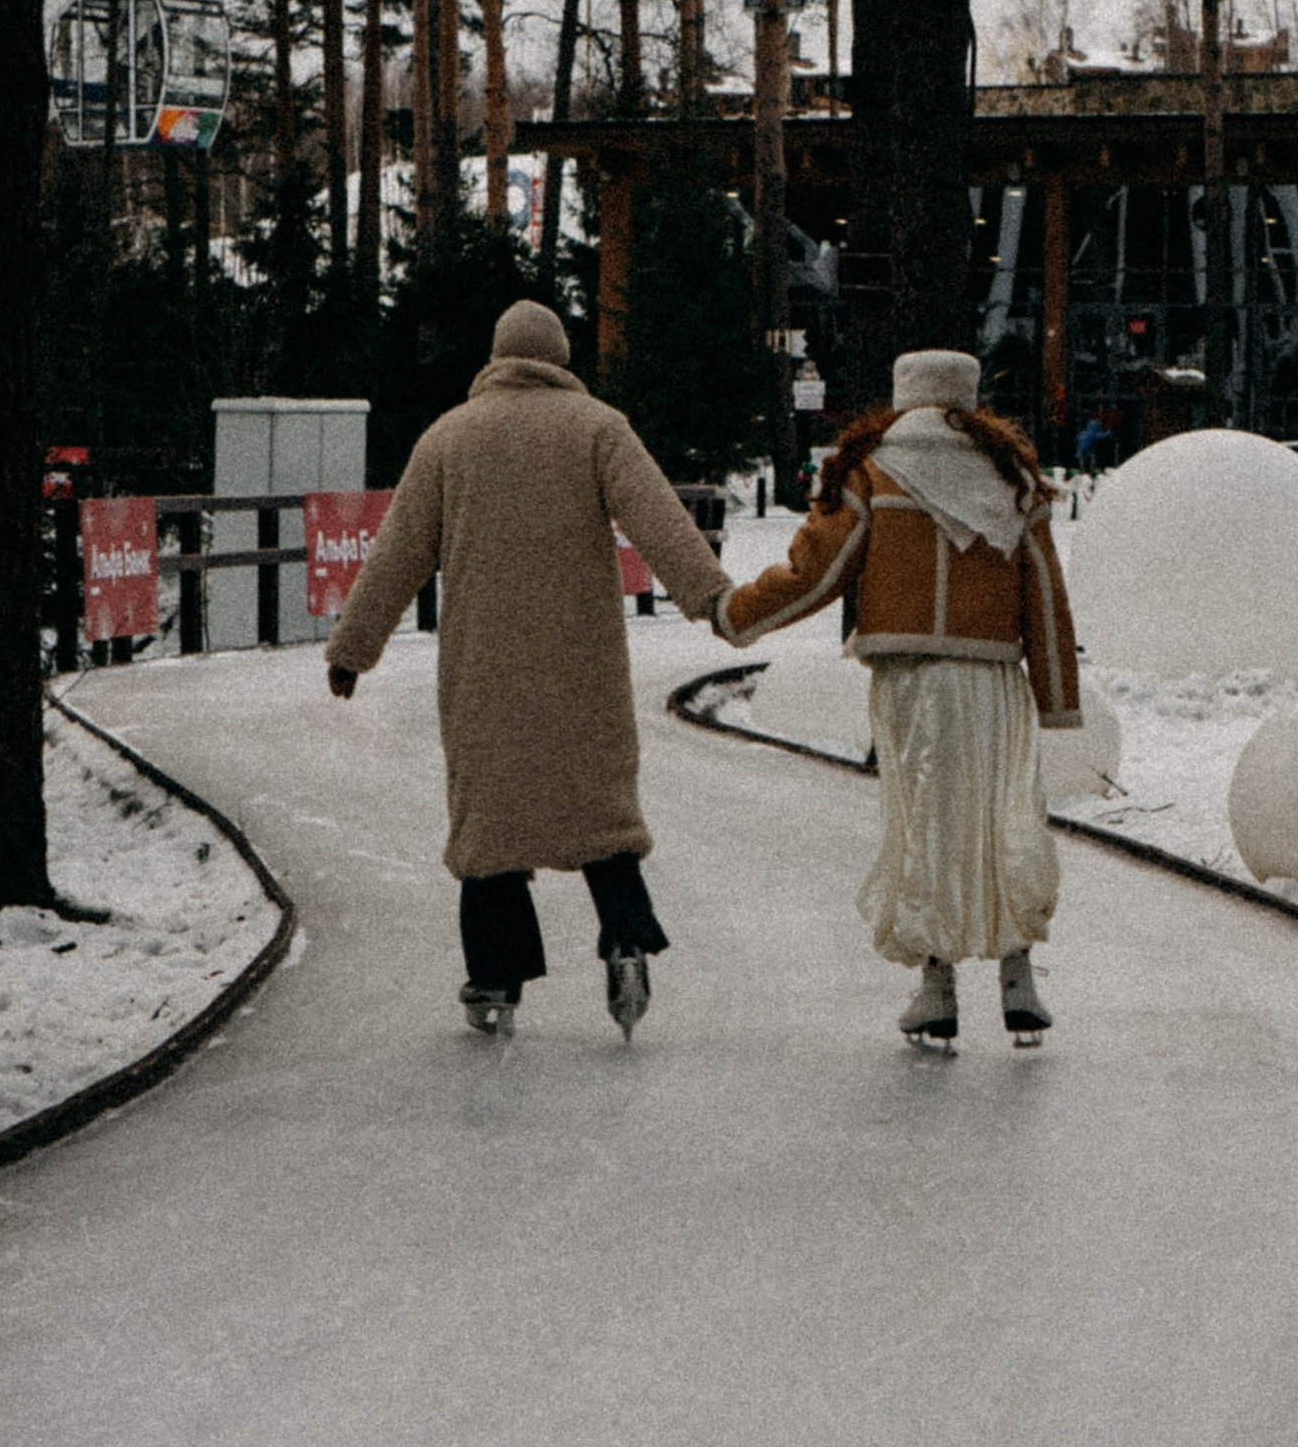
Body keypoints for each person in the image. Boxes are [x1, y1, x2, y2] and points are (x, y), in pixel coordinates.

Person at [324, 298, 729, 1040]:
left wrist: (354, 650)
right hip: (584, 664)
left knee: (491, 827)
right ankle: (628, 937)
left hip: (484, 668)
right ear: (561, 359)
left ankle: (495, 980)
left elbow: (396, 555)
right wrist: (712, 599)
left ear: (496, 357)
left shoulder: (448, 438)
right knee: (600, 813)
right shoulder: (599, 429)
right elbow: (660, 520)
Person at [716, 350, 1081, 1051]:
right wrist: (1057, 695)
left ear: (901, 394)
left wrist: (739, 615)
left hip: (910, 678)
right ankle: (1018, 976)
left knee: (925, 822)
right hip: (992, 679)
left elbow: (815, 574)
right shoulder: (1010, 478)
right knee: (1003, 812)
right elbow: (1044, 594)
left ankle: (936, 987)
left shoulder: (872, 471)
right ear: (969, 399)